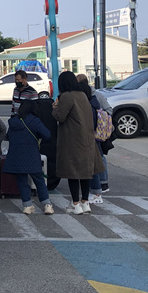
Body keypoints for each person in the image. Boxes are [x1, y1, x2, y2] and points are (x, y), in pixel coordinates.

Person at [52, 71, 105, 215]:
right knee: (85, 173)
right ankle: (85, 202)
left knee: (73, 172)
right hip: (87, 139)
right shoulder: (82, 95)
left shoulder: (67, 96)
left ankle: (75, 204)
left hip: (72, 140)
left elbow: (60, 116)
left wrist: (55, 107)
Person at [4, 99, 54, 215]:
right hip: (31, 155)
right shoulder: (35, 121)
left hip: (16, 155)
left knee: (22, 181)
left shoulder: (13, 122)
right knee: (39, 180)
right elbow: (47, 134)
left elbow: (8, 137)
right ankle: (47, 205)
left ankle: (27, 206)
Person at [77, 73, 111, 194]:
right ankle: (100, 184)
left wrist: (101, 119)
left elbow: (109, 110)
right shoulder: (92, 97)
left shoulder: (96, 96)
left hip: (96, 131)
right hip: (94, 131)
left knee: (99, 157)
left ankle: (102, 183)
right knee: (97, 157)